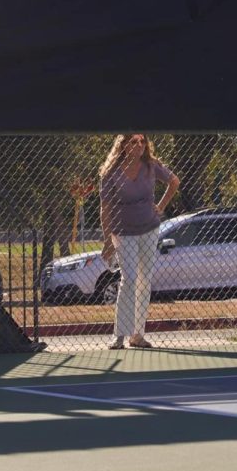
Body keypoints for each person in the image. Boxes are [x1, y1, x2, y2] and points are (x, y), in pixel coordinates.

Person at [98, 134, 180, 349]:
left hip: (149, 229)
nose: (139, 145)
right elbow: (104, 208)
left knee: (144, 280)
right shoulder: (110, 173)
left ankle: (138, 335)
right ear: (123, 145)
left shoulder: (151, 166)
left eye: (142, 141)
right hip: (122, 232)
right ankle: (119, 336)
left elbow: (174, 181)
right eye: (133, 141)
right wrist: (107, 240)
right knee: (130, 279)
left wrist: (161, 207)